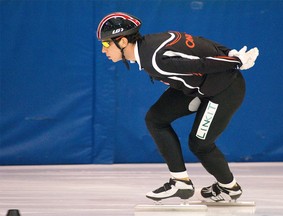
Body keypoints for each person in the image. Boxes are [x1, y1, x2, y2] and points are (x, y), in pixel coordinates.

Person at [96, 12, 259, 202]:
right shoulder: (150, 44)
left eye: (106, 43)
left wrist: (235, 60)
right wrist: (229, 51)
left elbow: (201, 64)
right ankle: (181, 182)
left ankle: (229, 188)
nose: (103, 50)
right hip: (199, 86)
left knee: (200, 144)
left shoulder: (155, 60)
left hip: (224, 89)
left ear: (123, 41)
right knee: (155, 119)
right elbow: (197, 41)